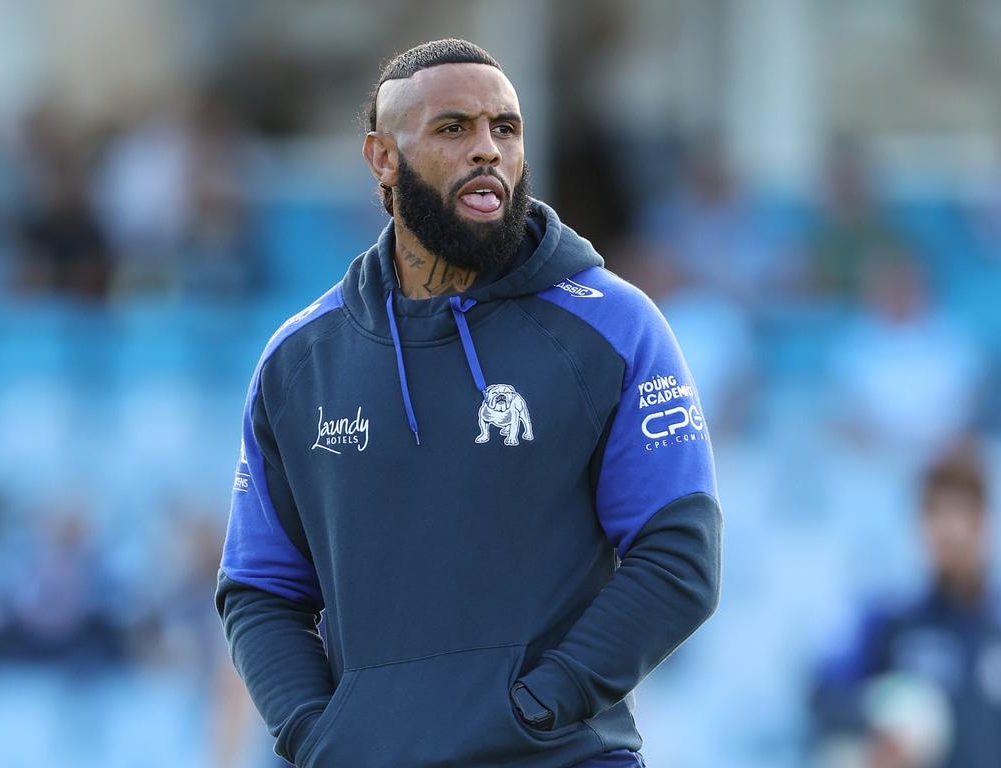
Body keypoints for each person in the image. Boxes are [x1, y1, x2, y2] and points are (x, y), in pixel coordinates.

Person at [215, 38, 722, 768]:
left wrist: (544, 705)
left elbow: (680, 556)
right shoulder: (300, 362)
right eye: (454, 128)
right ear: (383, 159)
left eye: (505, 128)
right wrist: (314, 733)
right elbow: (260, 589)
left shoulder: (613, 324)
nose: (487, 150)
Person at [810, 440, 1001, 768]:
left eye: (962, 513)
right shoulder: (892, 624)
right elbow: (822, 698)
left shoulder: (993, 629)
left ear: (983, 521)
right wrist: (877, 723)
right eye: (935, 513)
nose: (949, 530)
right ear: (920, 526)